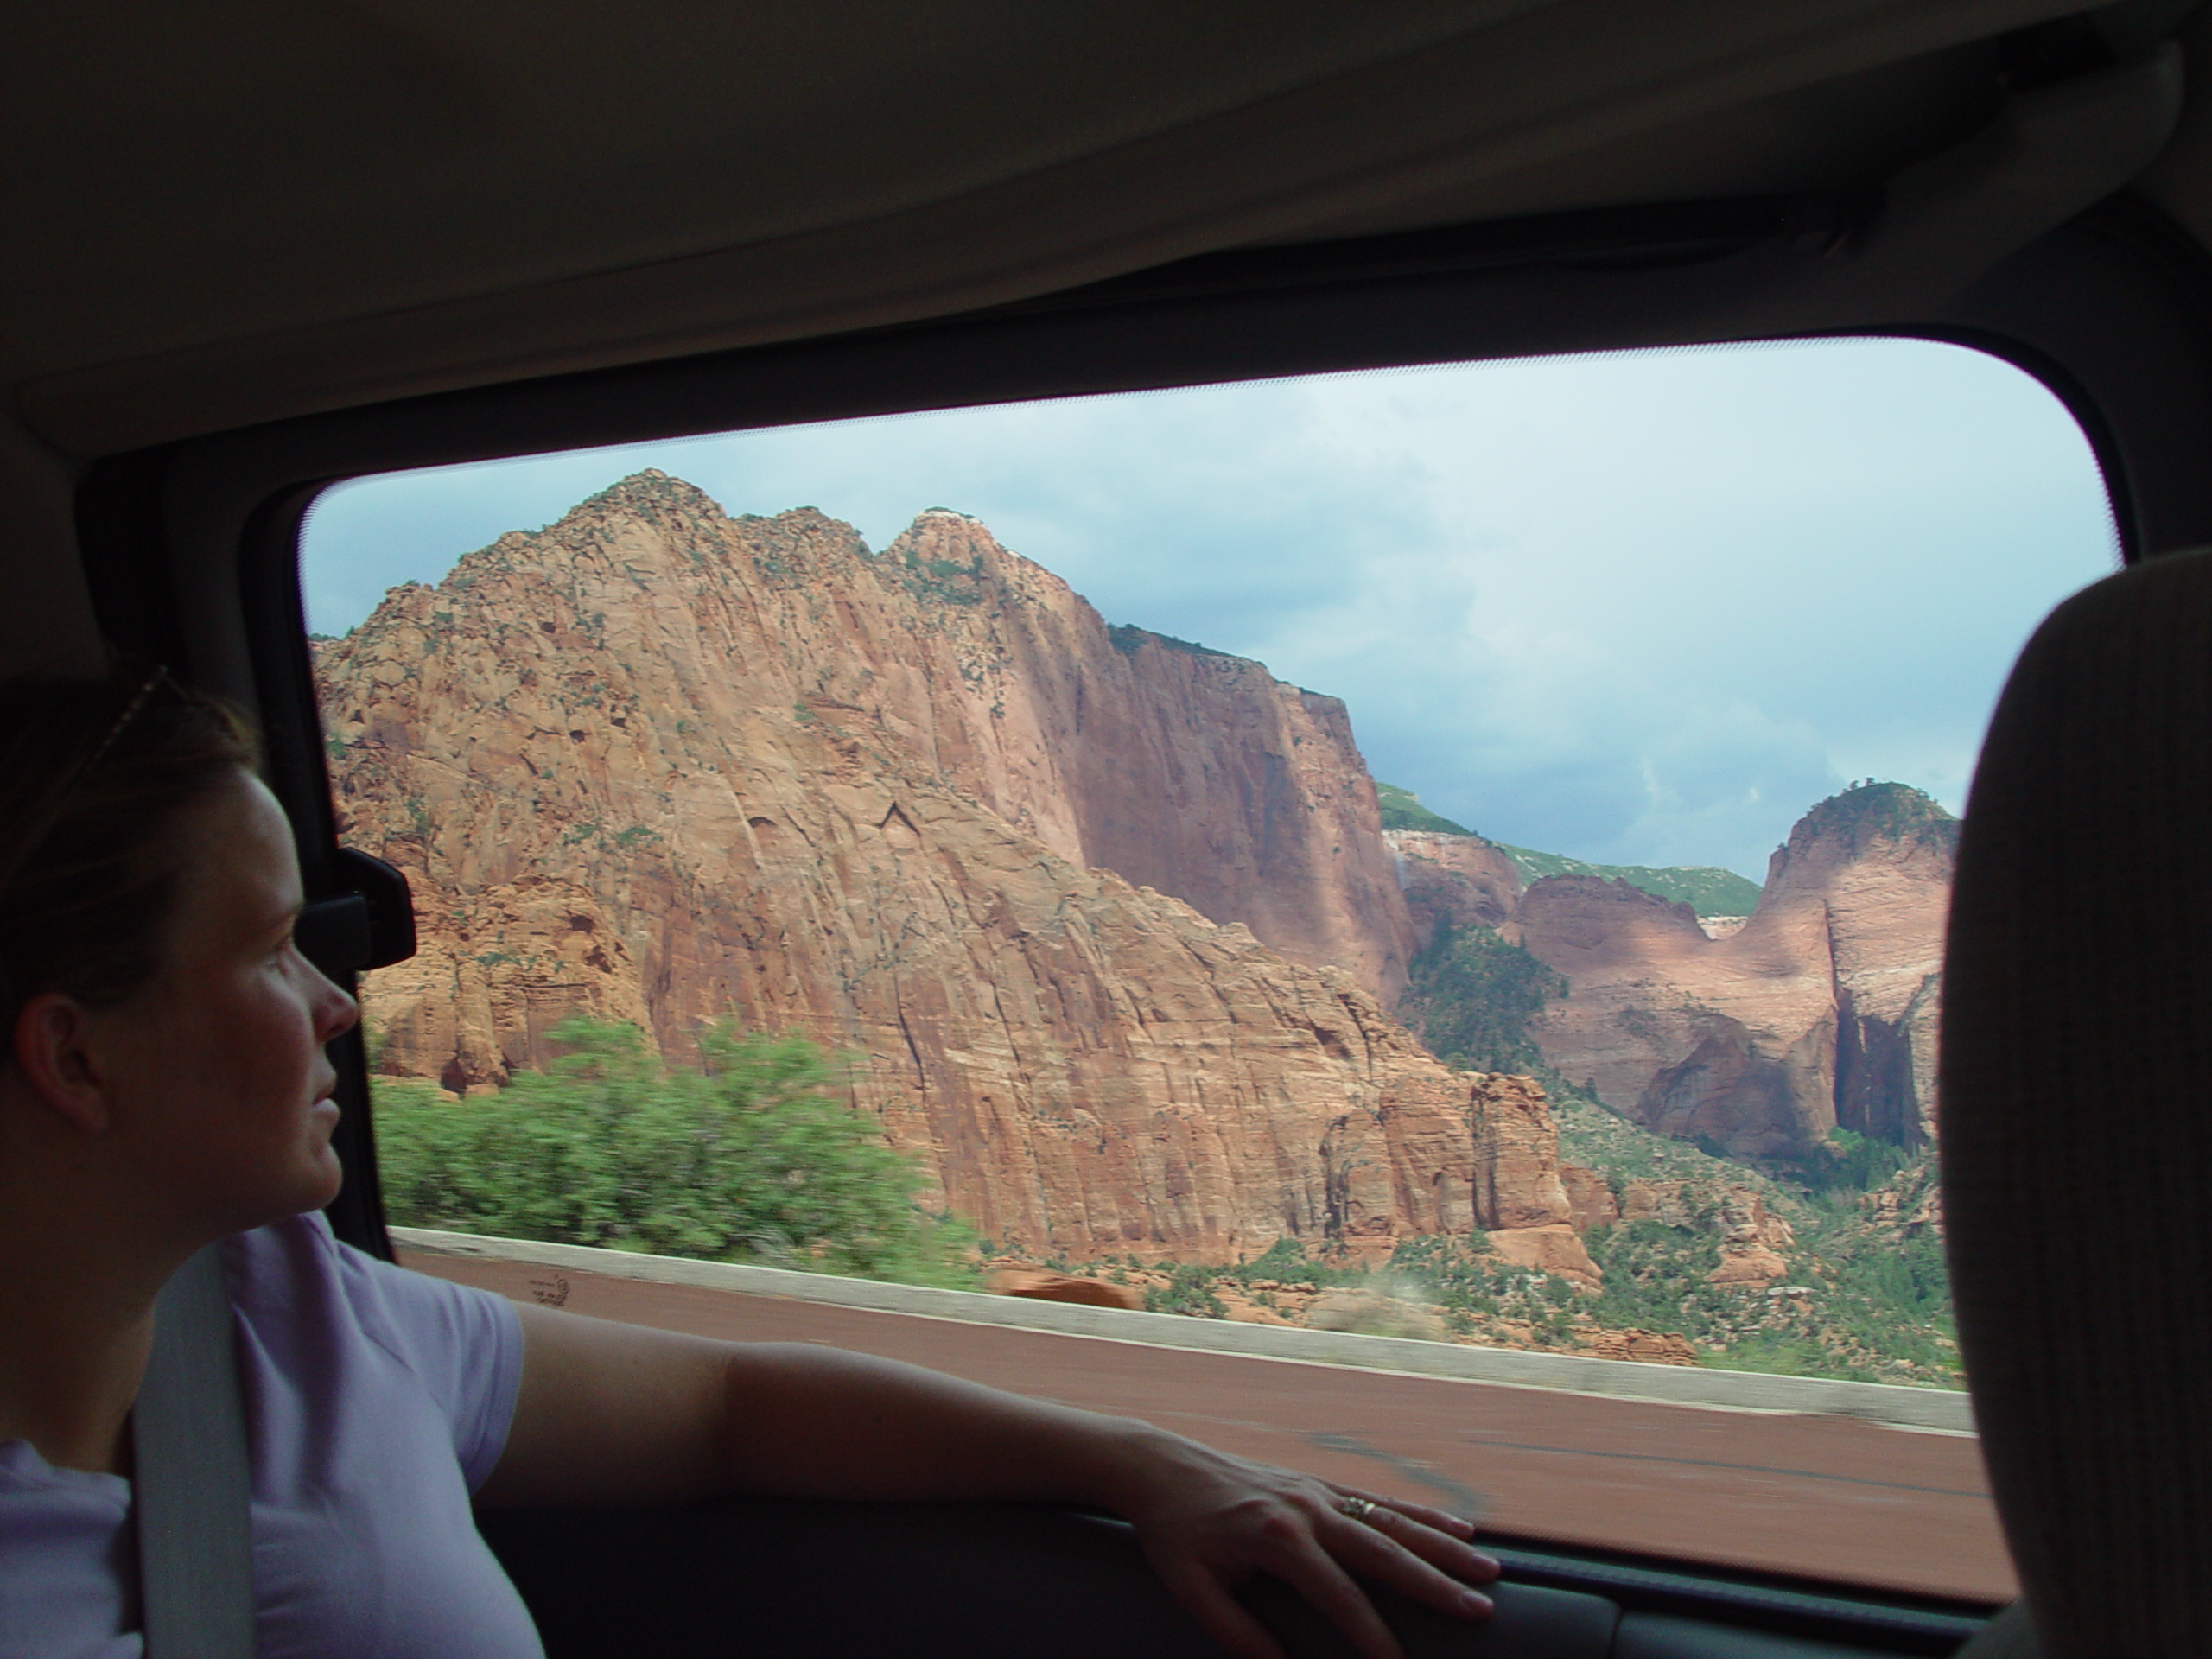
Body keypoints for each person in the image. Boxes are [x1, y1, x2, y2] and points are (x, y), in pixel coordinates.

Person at [0, 670, 1502, 1659]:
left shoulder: (299, 1314)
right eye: (272, 955)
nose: (340, 1004)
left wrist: (1142, 1461)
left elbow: (727, 1405)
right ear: (75, 1055)